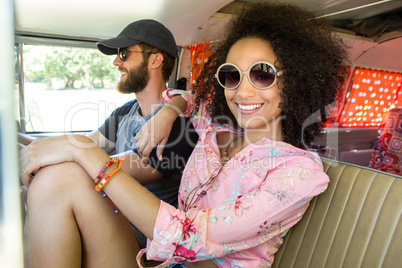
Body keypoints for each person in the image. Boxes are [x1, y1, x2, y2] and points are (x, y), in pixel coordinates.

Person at [20, 2, 348, 267]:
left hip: (176, 249)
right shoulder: (215, 128)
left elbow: (187, 238)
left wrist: (84, 153)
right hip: (155, 258)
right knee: (56, 179)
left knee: (64, 176)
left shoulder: (299, 173)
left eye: (262, 74)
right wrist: (169, 111)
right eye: (231, 75)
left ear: (297, 81)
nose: (243, 92)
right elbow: (191, 99)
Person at [19, 19, 198, 251]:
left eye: (124, 53)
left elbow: (103, 169)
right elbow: (84, 145)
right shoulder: (125, 111)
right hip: (115, 214)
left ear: (155, 59)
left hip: (142, 235)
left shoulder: (176, 123)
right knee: (26, 189)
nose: (115, 61)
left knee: (56, 184)